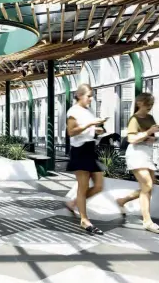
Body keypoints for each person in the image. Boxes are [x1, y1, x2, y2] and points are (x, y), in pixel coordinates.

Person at [116, 93, 159, 234]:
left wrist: (153, 135)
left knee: (150, 186)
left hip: (147, 154)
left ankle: (122, 200)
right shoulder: (134, 119)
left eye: (151, 104)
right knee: (147, 185)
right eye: (148, 104)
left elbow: (151, 138)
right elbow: (132, 139)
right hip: (136, 154)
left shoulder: (150, 118)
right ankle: (147, 221)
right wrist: (149, 132)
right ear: (139, 103)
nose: (150, 107)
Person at [65, 84, 107, 235]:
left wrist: (96, 129)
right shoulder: (73, 111)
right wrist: (90, 124)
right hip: (80, 150)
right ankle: (84, 220)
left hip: (90, 149)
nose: (91, 99)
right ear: (80, 95)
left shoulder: (87, 111)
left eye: (91, 96)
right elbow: (71, 131)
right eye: (89, 96)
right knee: (82, 187)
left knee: (99, 185)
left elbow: (85, 129)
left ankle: (74, 203)